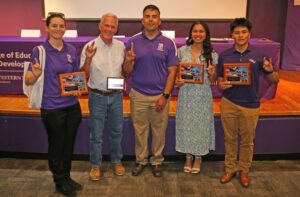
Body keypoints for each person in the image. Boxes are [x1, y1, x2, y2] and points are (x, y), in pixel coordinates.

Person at [25, 12, 82, 196]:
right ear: (47, 27)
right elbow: (28, 80)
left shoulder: (71, 50)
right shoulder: (39, 51)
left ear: (65, 28)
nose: (58, 29)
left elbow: (73, 77)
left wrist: (78, 86)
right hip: (52, 107)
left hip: (72, 105)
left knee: (68, 145)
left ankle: (66, 177)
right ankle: (59, 181)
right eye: (54, 25)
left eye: (61, 26)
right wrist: (34, 74)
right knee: (57, 145)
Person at [217, 18, 279, 187]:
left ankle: (244, 170)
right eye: (237, 32)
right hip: (229, 102)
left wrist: (270, 70)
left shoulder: (260, 55)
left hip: (251, 104)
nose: (240, 35)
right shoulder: (225, 55)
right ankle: (230, 169)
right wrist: (221, 84)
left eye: (244, 32)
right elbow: (220, 79)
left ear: (249, 34)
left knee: (247, 141)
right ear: (232, 35)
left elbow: (274, 79)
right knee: (229, 139)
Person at [123, 4, 178, 177]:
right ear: (142, 20)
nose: (151, 19)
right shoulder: (132, 42)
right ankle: (141, 161)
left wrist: (165, 95)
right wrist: (129, 61)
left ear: (159, 20)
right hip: (138, 94)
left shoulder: (169, 43)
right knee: (139, 130)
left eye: (154, 16)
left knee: (159, 131)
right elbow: (126, 72)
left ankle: (156, 161)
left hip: (159, 96)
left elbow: (172, 72)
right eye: (147, 16)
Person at [80, 13, 125, 181]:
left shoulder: (121, 46)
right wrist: (89, 59)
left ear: (116, 28)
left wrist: (129, 62)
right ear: (100, 26)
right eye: (107, 25)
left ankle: (116, 161)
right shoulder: (89, 46)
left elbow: (126, 71)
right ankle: (95, 165)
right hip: (97, 95)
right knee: (96, 134)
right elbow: (83, 75)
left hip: (116, 96)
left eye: (113, 26)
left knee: (116, 131)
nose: (109, 29)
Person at [175, 21, 217, 174]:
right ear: (190, 33)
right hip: (185, 94)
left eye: (201, 31)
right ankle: (187, 156)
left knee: (201, 126)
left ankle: (198, 157)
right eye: (195, 31)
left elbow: (214, 80)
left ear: (206, 34)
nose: (198, 34)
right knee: (186, 124)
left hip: (203, 95)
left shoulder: (212, 54)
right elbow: (176, 76)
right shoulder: (181, 51)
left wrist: (212, 72)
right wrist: (177, 82)